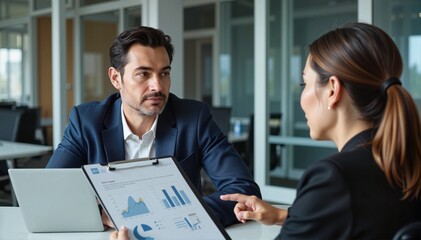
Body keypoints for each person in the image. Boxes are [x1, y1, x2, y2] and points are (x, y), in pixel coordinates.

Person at [220, 22, 421, 239]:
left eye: (304, 83)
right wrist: (282, 215)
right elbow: (361, 219)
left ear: (332, 90)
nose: (302, 99)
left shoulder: (335, 178)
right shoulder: (405, 161)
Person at [46, 26, 261, 228]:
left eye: (164, 73)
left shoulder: (194, 119)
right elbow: (49, 190)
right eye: (143, 74)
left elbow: (244, 190)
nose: (157, 86)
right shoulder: (86, 122)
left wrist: (165, 216)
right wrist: (102, 214)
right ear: (115, 78)